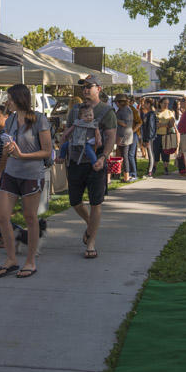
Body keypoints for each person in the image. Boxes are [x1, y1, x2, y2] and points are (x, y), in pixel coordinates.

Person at [0, 84, 52, 279]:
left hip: (31, 175)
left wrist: (22, 155)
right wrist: (1, 169)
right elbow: (8, 146)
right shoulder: (9, 120)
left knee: (30, 217)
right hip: (11, 173)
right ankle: (11, 259)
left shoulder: (39, 119)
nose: (6, 102)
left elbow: (47, 151)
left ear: (19, 98)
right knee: (2, 216)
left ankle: (30, 261)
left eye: (9, 98)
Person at [67, 75, 117, 259]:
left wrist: (104, 156)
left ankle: (91, 242)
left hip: (96, 162)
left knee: (96, 202)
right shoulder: (74, 111)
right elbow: (68, 132)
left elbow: (111, 138)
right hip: (75, 161)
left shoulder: (106, 111)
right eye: (83, 87)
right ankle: (91, 225)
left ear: (99, 89)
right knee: (74, 201)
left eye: (89, 86)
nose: (85, 90)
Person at [115, 93, 135, 183]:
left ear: (120, 102)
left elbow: (125, 124)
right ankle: (120, 174)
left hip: (124, 135)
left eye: (116, 102)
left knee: (124, 156)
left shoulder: (125, 110)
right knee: (123, 155)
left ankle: (126, 176)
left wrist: (115, 119)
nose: (116, 104)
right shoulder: (125, 109)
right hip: (125, 135)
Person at [154, 97, 177, 175]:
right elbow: (154, 124)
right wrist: (164, 124)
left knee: (166, 153)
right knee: (156, 152)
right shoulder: (155, 112)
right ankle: (154, 168)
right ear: (160, 103)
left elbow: (171, 124)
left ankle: (166, 169)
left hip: (166, 136)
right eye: (164, 103)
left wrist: (162, 125)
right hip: (156, 136)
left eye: (167, 103)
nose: (166, 105)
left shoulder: (170, 113)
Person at [139, 97, 157, 177]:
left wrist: (148, 139)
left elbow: (151, 127)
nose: (144, 105)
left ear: (149, 104)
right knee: (150, 153)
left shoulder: (151, 114)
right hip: (147, 136)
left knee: (150, 153)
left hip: (150, 137)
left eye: (145, 103)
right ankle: (149, 170)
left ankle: (150, 171)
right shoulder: (148, 114)